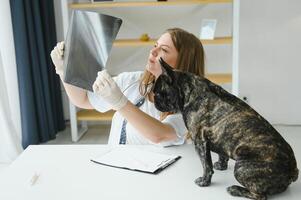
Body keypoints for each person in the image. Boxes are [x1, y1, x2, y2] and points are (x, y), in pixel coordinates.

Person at [50, 28, 205, 146]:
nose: (153, 51)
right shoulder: (131, 81)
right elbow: (83, 100)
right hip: (115, 171)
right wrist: (64, 70)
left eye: (163, 50)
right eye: (155, 45)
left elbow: (160, 134)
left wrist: (120, 102)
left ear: (182, 64)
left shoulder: (192, 106)